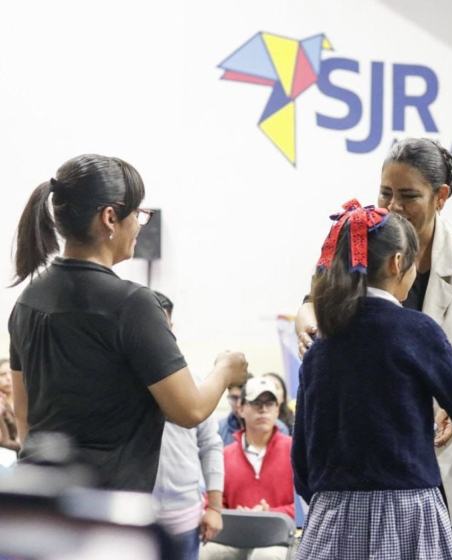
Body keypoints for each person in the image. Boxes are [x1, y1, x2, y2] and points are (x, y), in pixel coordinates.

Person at [296, 139, 452, 560]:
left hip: (364, 494)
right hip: (409, 498)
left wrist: (318, 496)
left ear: (441, 196)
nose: (394, 206)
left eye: (409, 195)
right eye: (385, 193)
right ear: (399, 266)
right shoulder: (367, 259)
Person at [7, 154, 248, 491]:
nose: (139, 225)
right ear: (110, 218)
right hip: (104, 511)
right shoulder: (132, 305)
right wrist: (225, 369)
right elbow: (190, 409)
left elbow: (25, 419)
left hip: (38, 501)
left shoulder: (27, 301)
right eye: (137, 214)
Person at [151, 292, 225, 560]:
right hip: (135, 518)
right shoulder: (120, 385)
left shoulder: (191, 380)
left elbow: (210, 444)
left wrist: (214, 508)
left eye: (165, 326)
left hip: (185, 518)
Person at [200, 377, 295, 560]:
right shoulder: (224, 455)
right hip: (234, 538)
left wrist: (270, 514)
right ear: (241, 409)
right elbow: (212, 503)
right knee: (204, 553)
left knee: (265, 557)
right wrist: (237, 517)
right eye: (256, 403)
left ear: (277, 409)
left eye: (270, 403)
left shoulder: (295, 450)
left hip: (280, 539)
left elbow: (306, 505)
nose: (263, 409)